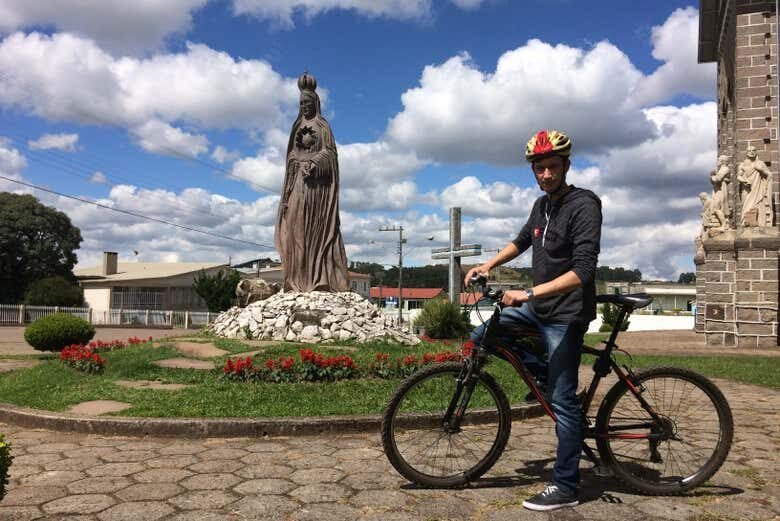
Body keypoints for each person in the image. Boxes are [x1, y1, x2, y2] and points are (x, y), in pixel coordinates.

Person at [464, 129, 602, 512]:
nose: (545, 174)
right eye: (539, 168)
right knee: (482, 335)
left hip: (565, 314)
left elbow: (584, 271)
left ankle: (566, 486)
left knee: (562, 402)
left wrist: (528, 293)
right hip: (539, 308)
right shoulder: (541, 207)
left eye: (552, 167)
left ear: (566, 166)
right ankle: (542, 374)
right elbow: (522, 240)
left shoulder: (584, 205)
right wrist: (488, 264)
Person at [275, 73, 350, 292]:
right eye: (301, 103)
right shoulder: (296, 126)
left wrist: (315, 164)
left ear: (315, 103)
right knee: (295, 230)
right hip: (298, 184)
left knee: (317, 231)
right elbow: (290, 155)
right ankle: (297, 278)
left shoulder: (323, 126)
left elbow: (330, 154)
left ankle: (320, 279)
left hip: (318, 190)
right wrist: (296, 163)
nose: (305, 106)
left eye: (308, 103)